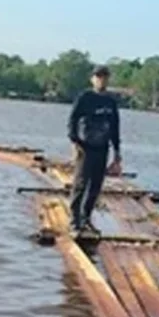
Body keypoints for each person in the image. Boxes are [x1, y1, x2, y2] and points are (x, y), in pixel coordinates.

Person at [65, 65, 122, 235]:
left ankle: (86, 218)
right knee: (80, 184)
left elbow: (115, 128)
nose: (101, 80)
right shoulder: (85, 98)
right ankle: (74, 221)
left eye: (104, 76)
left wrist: (117, 152)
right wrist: (74, 142)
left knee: (96, 186)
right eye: (98, 76)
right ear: (92, 79)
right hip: (85, 147)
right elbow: (72, 120)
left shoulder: (111, 102)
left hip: (102, 148)